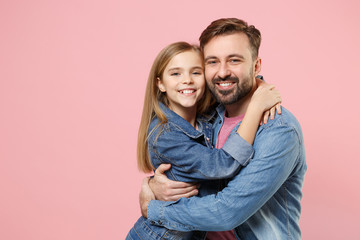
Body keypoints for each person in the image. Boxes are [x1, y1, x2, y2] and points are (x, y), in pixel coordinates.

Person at [140, 18, 307, 240]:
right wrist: (151, 185)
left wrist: (153, 208)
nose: (222, 72)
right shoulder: (206, 116)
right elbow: (185, 166)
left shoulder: (278, 129)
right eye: (212, 62)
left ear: (255, 66)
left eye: (234, 60)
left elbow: (226, 213)